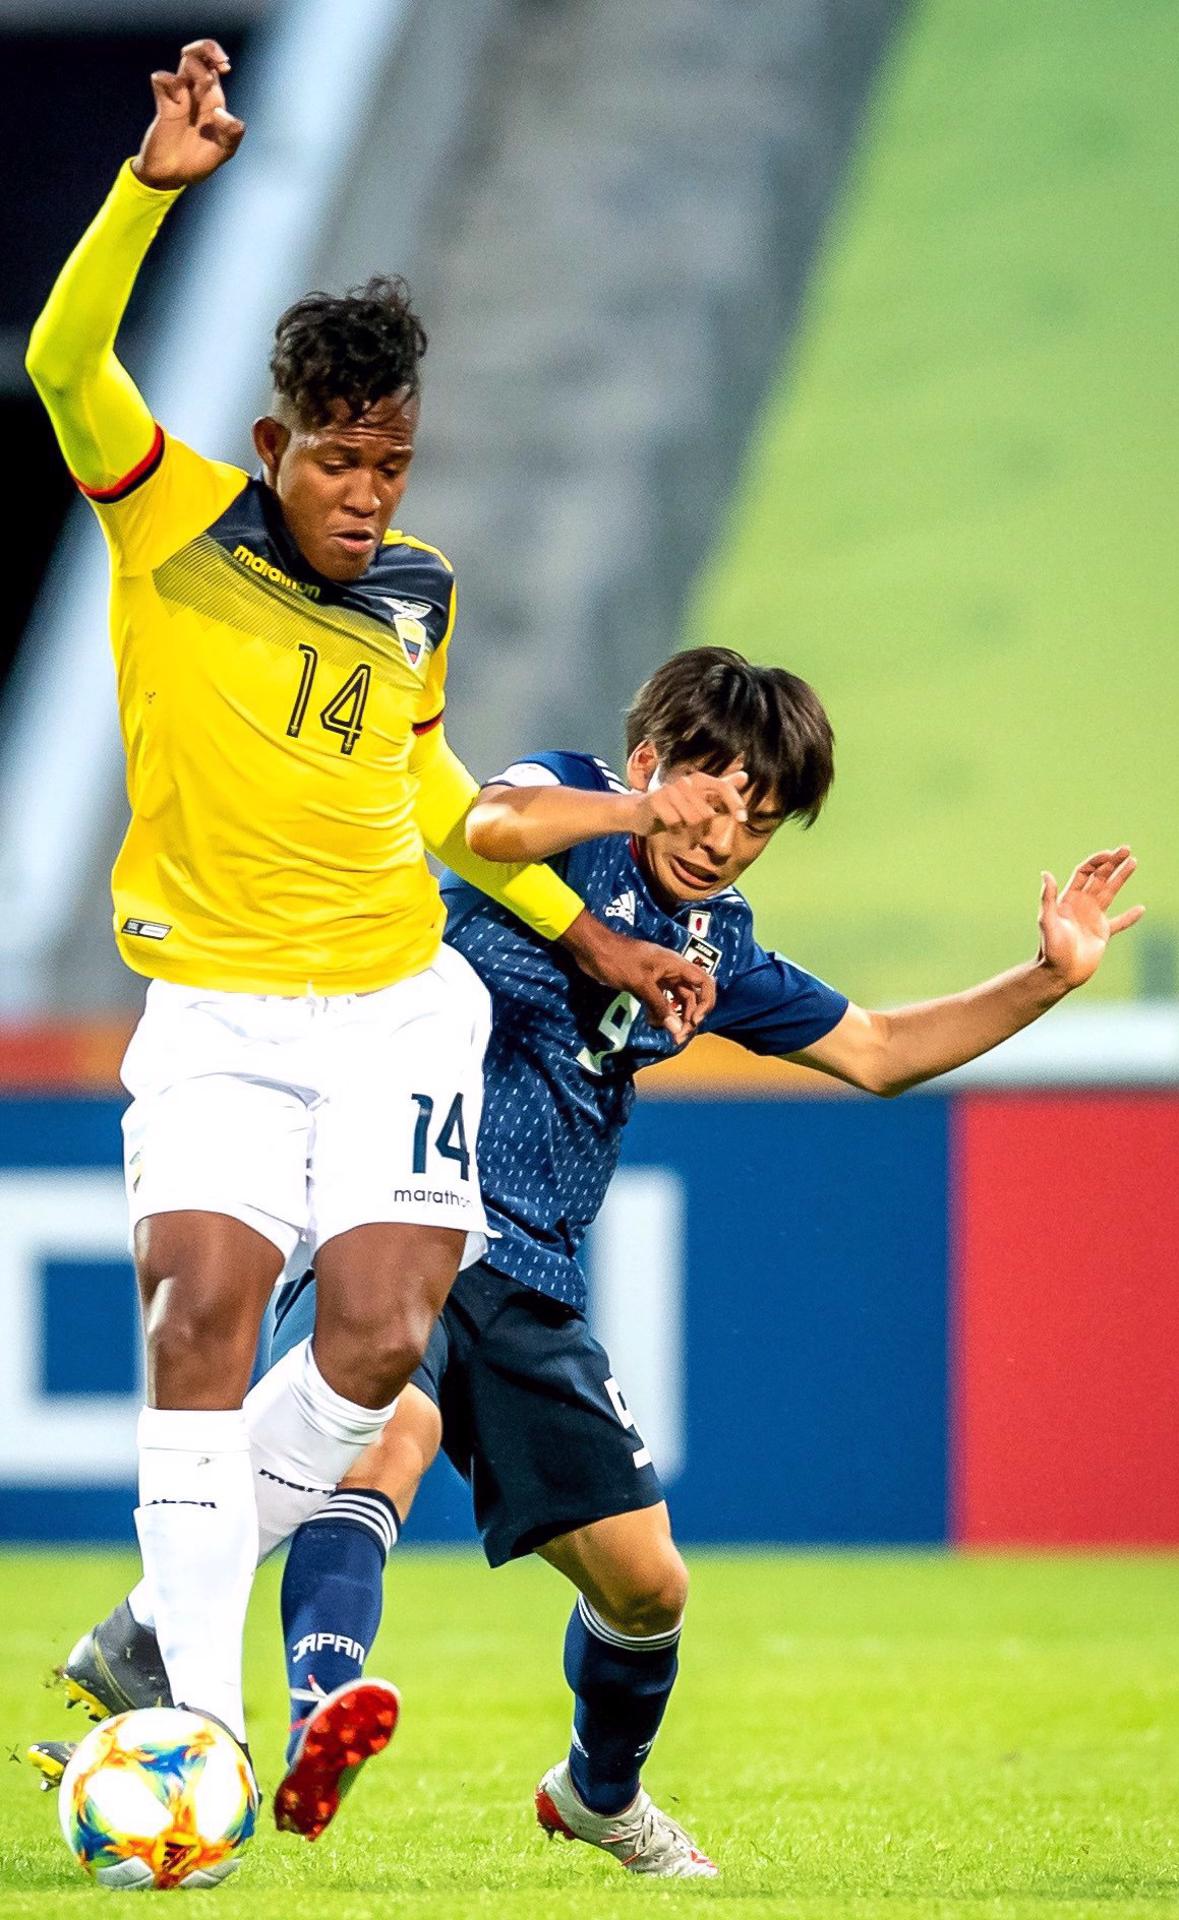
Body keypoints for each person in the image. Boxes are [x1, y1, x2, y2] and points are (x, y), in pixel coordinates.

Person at [33, 648, 1143, 1875]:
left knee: (648, 1590)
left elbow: (877, 1049)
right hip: (394, 1211)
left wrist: (1050, 976)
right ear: (651, 763)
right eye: (714, 802)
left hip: (536, 1279)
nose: (724, 840)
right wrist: (625, 813)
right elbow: (483, 821)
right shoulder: (561, 808)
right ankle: (310, 1725)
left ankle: (596, 1792)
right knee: (380, 1437)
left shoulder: (715, 948)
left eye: (759, 825)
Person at [24, 38, 714, 1760]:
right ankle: (191, 1731)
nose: (368, 493)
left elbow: (415, 780)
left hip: (399, 1002)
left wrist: (593, 925)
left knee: (381, 1341)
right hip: (218, 1013)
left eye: (392, 462)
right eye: (340, 461)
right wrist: (144, 194)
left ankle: (141, 1642)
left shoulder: (417, 590)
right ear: (276, 442)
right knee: (195, 1316)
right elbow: (58, 358)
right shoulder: (166, 516)